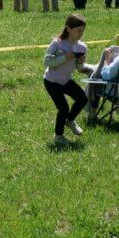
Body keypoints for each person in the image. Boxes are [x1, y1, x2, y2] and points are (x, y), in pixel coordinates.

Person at [43, 13, 92, 146]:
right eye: (78, 31)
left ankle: (70, 120)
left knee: (83, 99)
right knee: (63, 108)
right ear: (68, 29)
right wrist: (65, 57)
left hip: (66, 79)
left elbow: (78, 68)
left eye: (82, 31)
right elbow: (47, 62)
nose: (81, 34)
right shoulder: (57, 43)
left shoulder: (82, 47)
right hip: (52, 80)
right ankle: (58, 136)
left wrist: (81, 62)